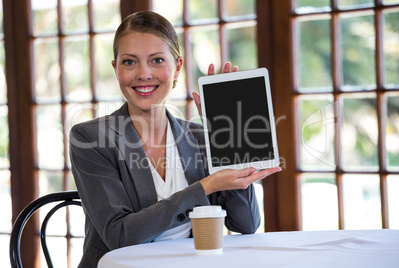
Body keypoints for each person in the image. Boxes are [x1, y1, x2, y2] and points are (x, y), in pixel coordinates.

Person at [69, 10, 281, 267]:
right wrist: (204, 187)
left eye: (157, 60)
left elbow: (245, 224)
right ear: (116, 69)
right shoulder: (90, 138)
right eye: (129, 62)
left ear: (178, 67)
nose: (143, 73)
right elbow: (121, 235)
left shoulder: (200, 137)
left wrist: (230, 141)